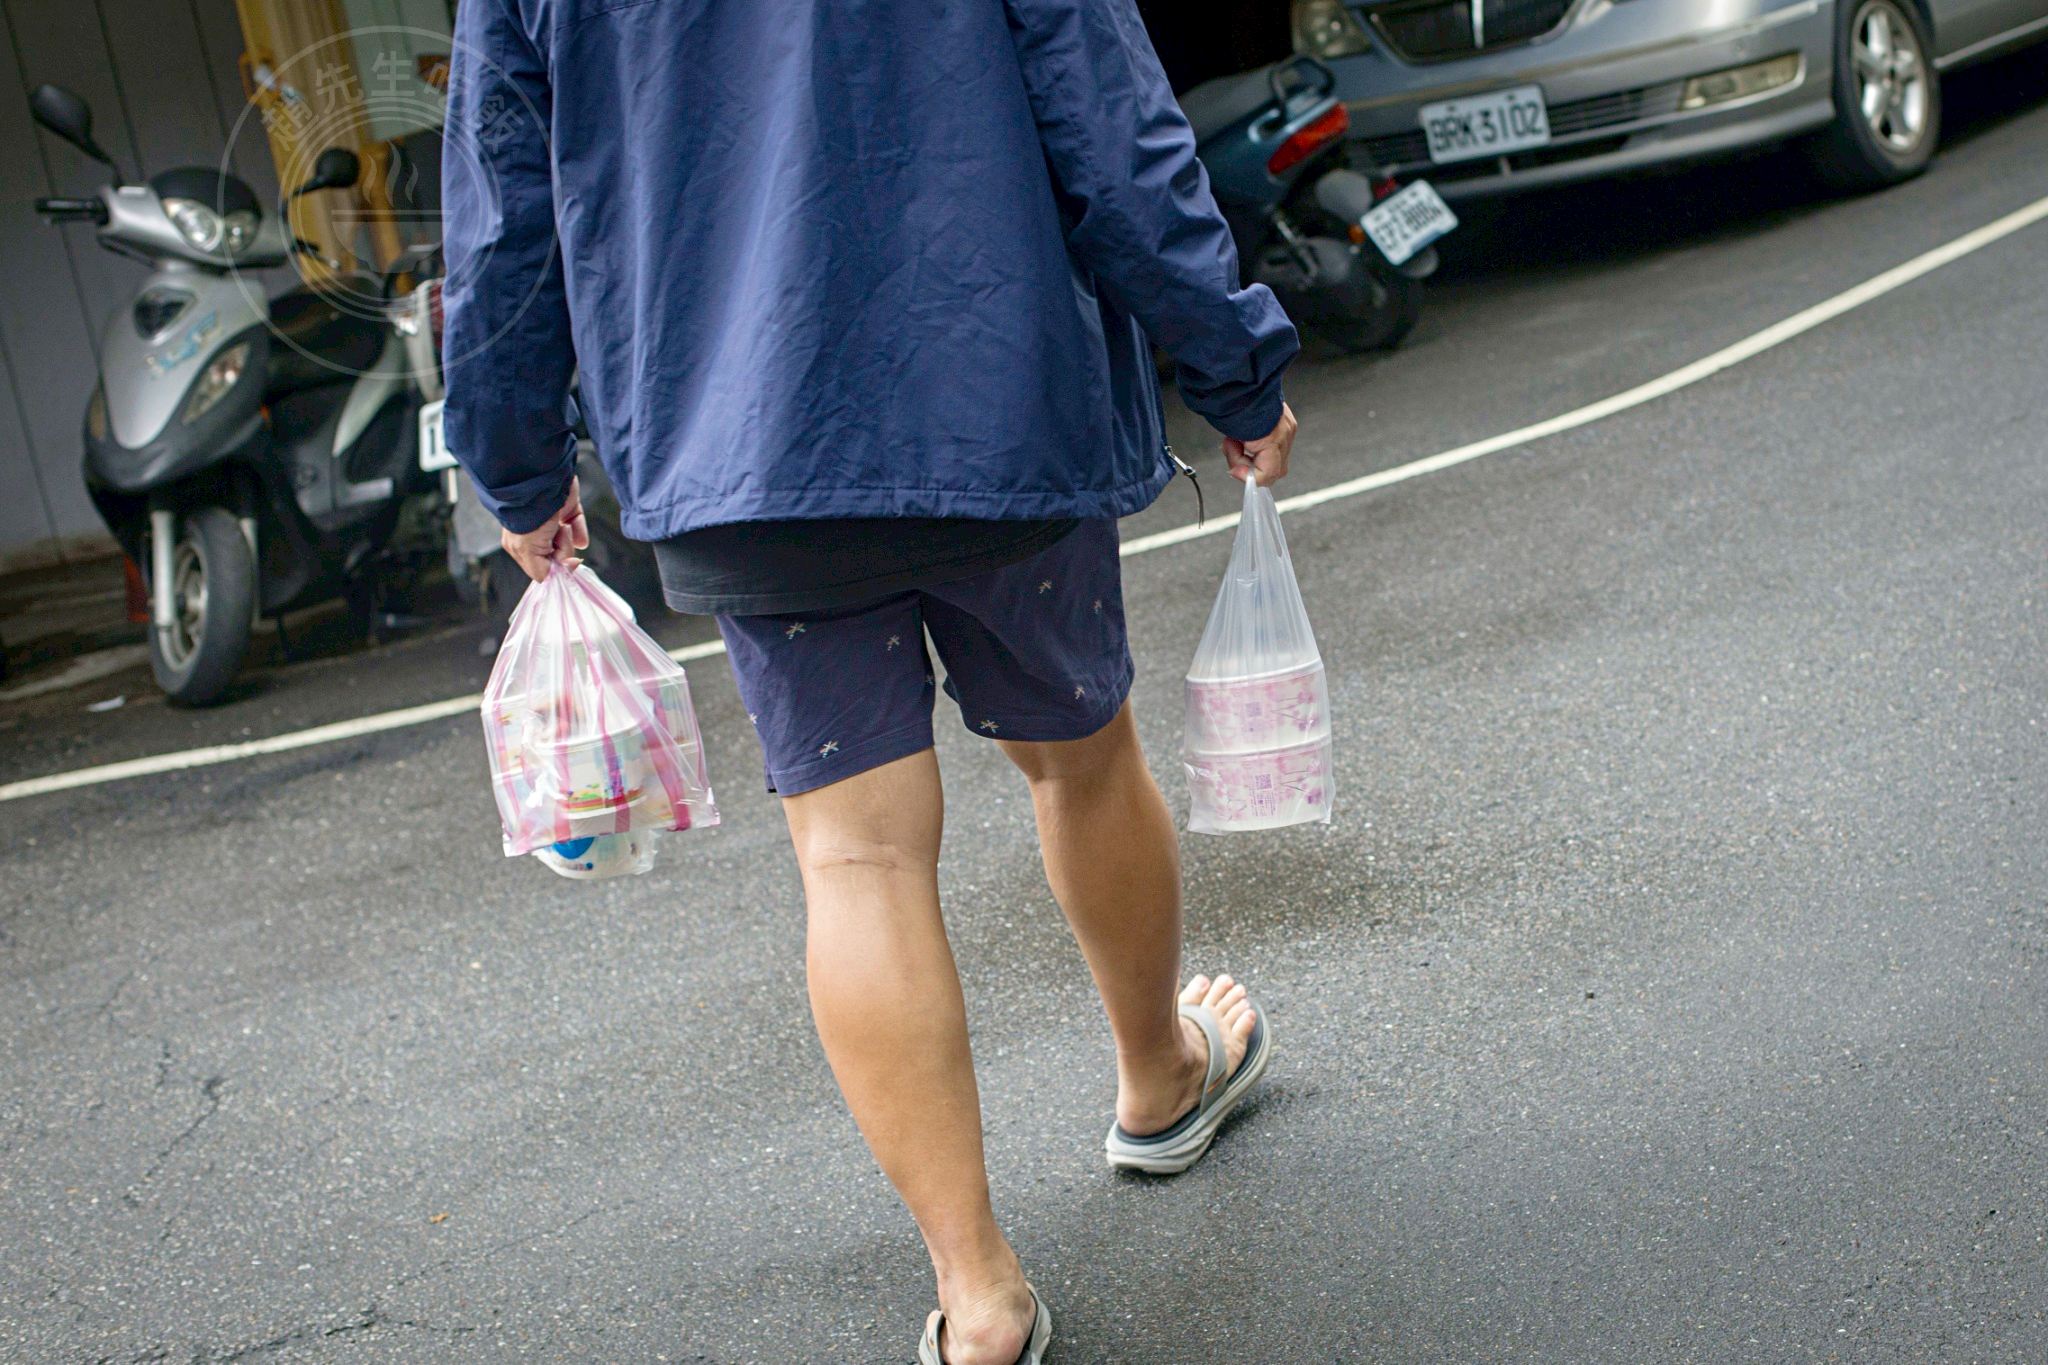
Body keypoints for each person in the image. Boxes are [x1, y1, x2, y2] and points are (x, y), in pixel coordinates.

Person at [441, 2, 1299, 1360]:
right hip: (997, 383)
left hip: (737, 436)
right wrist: (1230, 357)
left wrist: (514, 459)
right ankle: (1159, 1077)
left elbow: (503, 203)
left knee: (855, 857)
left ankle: (978, 1291)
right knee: (1083, 758)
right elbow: (1108, 115)